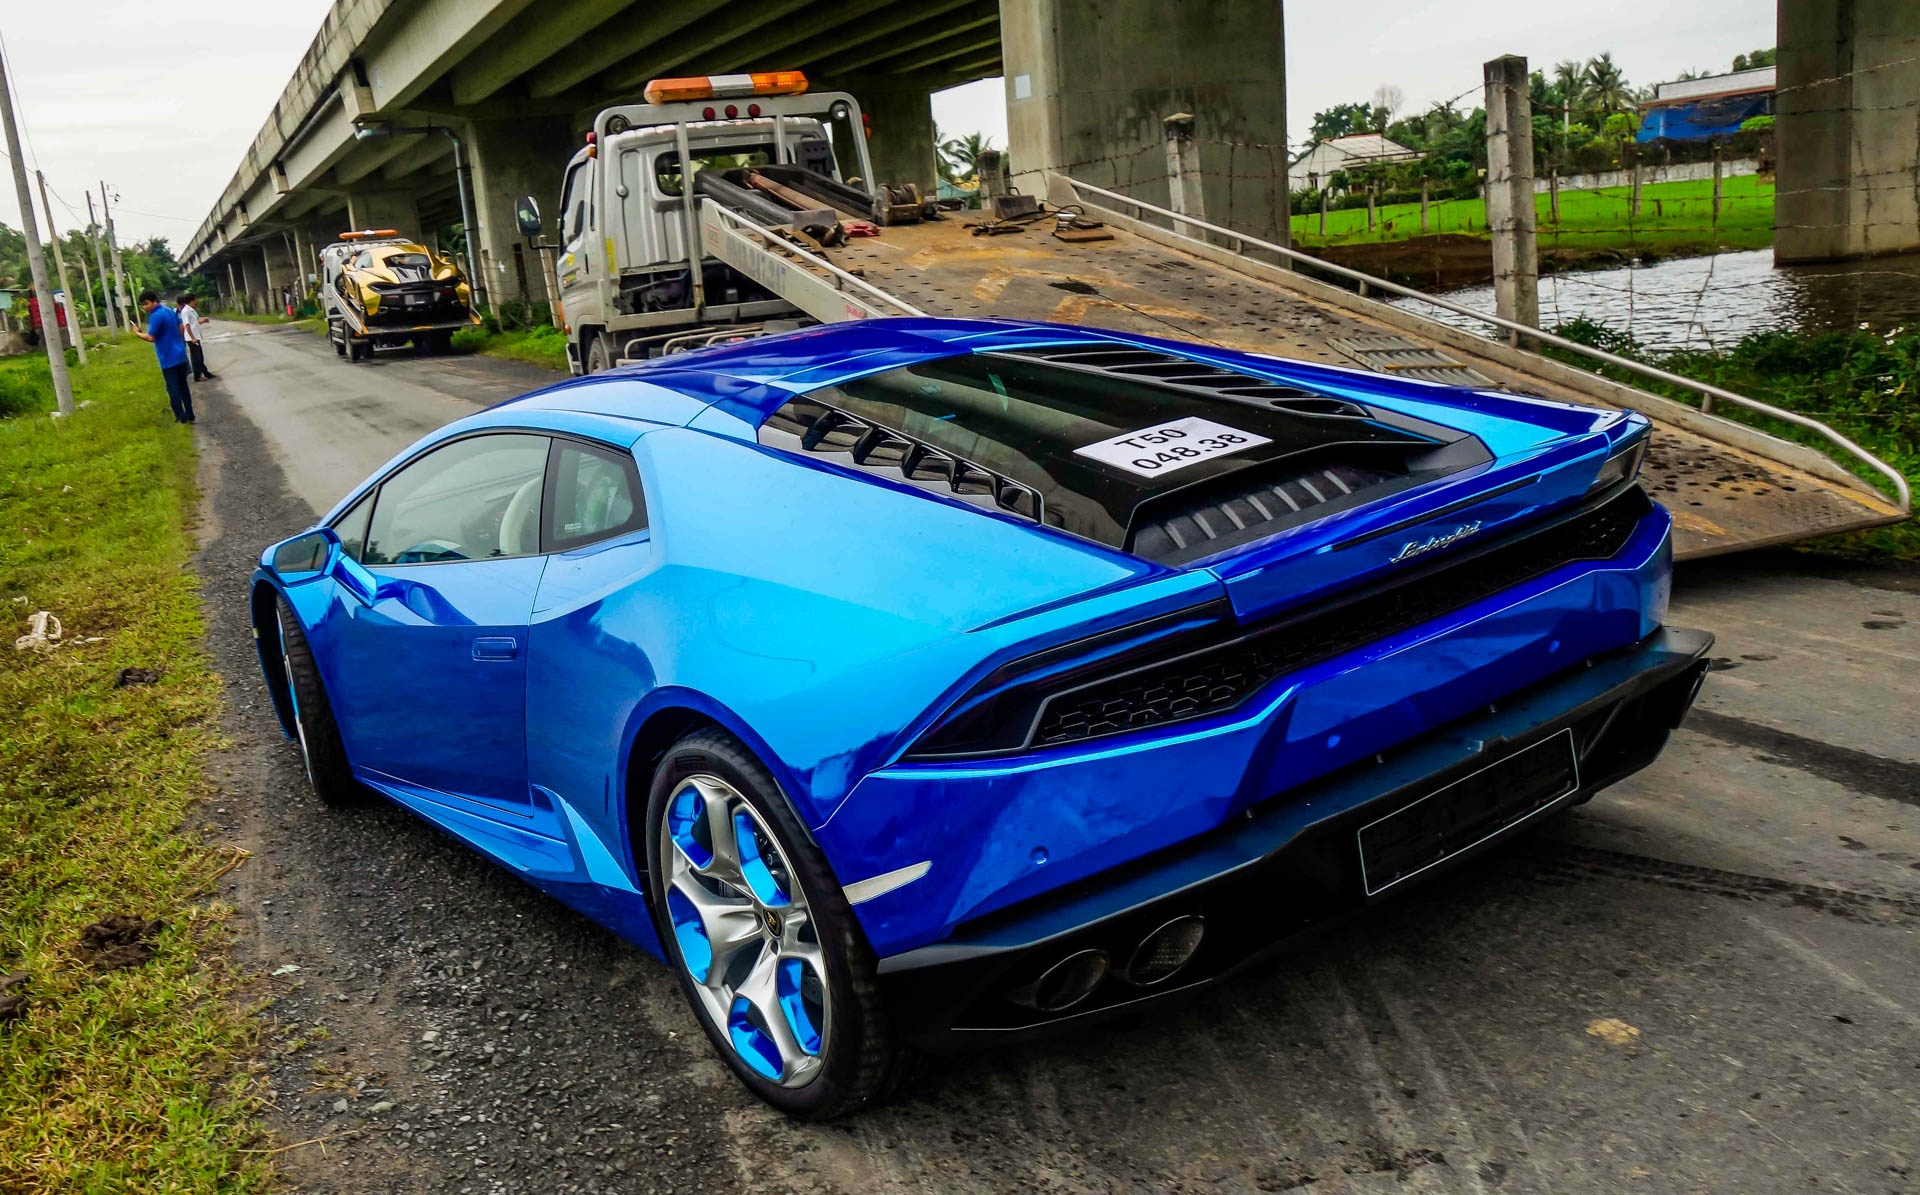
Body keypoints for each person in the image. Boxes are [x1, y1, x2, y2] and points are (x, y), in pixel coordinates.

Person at [134, 291, 194, 424]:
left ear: (154, 301)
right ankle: (190, 414)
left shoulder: (155, 316)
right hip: (180, 354)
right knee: (183, 386)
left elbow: (151, 337)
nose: (145, 307)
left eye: (147, 303)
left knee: (173, 389)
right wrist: (177, 341)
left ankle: (180, 416)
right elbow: (181, 326)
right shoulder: (168, 310)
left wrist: (138, 334)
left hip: (168, 358)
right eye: (143, 305)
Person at [177, 293, 216, 380]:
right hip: (192, 338)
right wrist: (193, 338)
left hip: (196, 337)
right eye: (195, 300)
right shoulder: (185, 311)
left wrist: (203, 321)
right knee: (196, 358)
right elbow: (187, 325)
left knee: (199, 356)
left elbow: (195, 322)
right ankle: (197, 376)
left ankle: (205, 373)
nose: (196, 302)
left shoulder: (192, 310)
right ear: (191, 300)